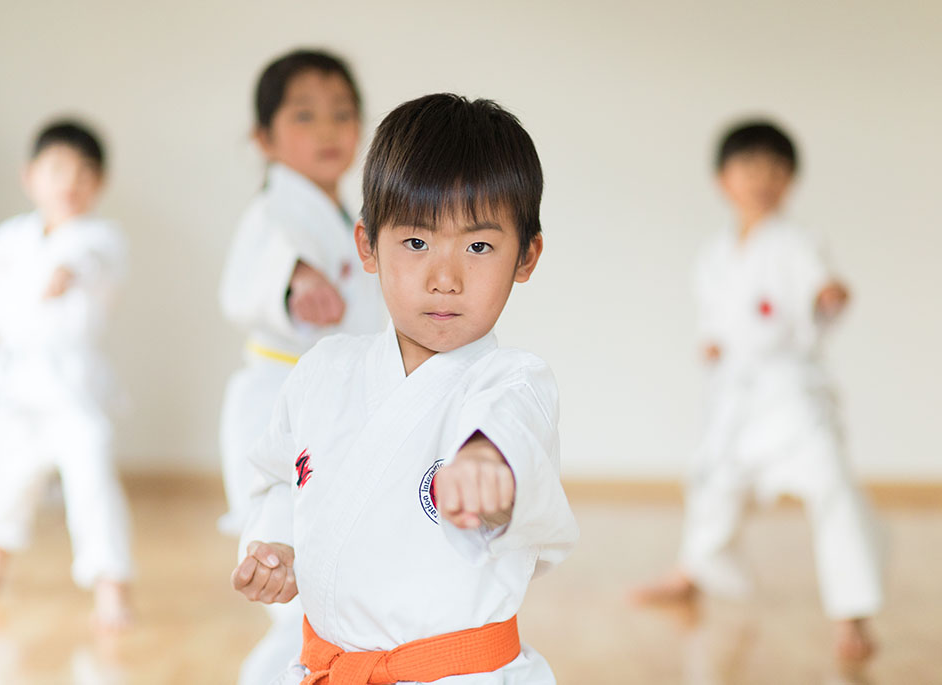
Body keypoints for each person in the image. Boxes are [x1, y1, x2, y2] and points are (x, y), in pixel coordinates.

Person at [232, 93, 579, 684]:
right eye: (416, 243)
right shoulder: (323, 369)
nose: (445, 279)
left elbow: (507, 432)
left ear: (527, 255)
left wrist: (487, 469)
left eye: (479, 246)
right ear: (368, 245)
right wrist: (276, 544)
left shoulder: (512, 382)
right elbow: (282, 479)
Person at [630, 121, 883, 662]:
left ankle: (852, 614)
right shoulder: (715, 254)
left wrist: (830, 295)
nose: (762, 179)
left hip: (791, 392)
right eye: (749, 167)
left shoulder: (797, 242)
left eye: (775, 168)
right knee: (712, 481)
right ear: (724, 179)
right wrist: (713, 347)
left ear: (790, 180)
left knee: (832, 484)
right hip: (736, 395)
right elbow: (716, 323)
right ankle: (690, 574)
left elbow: (821, 286)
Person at [218, 49, 383, 683]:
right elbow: (253, 277)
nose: (328, 130)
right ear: (264, 138)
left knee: (332, 575)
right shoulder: (274, 215)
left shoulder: (351, 217)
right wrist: (295, 281)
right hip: (276, 403)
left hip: (333, 411)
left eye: (343, 114)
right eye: (306, 116)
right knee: (293, 575)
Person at [0, 120, 133, 629]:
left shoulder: (98, 239)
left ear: (100, 183)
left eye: (84, 173)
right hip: (15, 392)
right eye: (57, 170)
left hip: (73, 393)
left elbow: (93, 262)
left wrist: (70, 272)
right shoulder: (7, 241)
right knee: (5, 483)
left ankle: (111, 585)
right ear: (30, 177)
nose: (70, 183)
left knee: (92, 484)